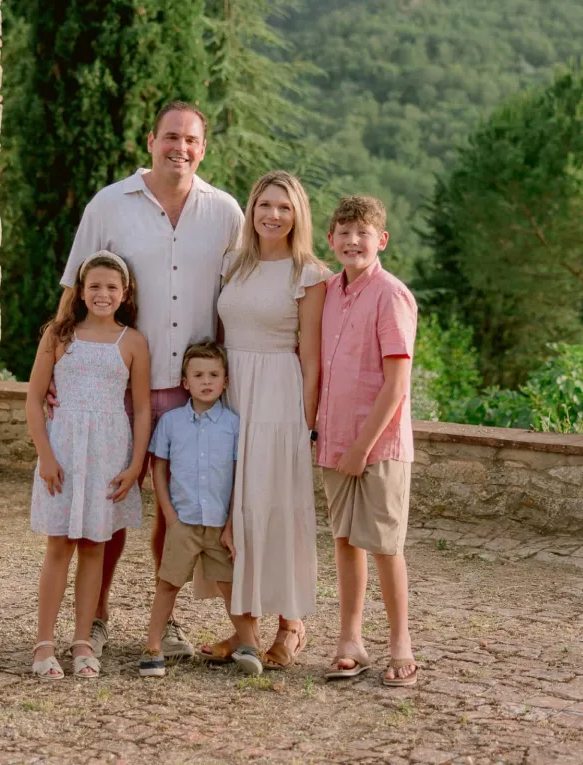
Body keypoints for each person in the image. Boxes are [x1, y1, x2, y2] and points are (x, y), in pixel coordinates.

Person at [54, 101, 243, 660]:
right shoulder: (110, 204)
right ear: (150, 140)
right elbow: (73, 290)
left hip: (190, 392)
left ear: (203, 148)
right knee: (108, 503)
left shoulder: (226, 212)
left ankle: (167, 620)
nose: (179, 148)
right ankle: (96, 614)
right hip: (117, 385)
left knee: (175, 511)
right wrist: (52, 368)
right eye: (170, 137)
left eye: (190, 140)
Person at [198, 170, 330, 670]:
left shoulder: (309, 274)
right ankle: (243, 623)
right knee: (235, 505)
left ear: (298, 215)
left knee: (276, 506)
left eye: (284, 207)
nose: (272, 215)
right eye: (265, 205)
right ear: (251, 210)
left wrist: (308, 423)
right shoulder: (233, 263)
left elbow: (312, 357)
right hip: (232, 391)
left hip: (279, 394)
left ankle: (291, 624)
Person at [26, 251, 152, 680]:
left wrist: (135, 465)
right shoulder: (59, 336)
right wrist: (45, 455)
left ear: (124, 293)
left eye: (111, 287)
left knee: (96, 546)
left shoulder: (132, 342)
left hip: (107, 455)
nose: (103, 294)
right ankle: (44, 644)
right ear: (81, 291)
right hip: (63, 453)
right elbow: (33, 398)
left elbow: (142, 408)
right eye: (94, 286)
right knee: (59, 545)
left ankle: (83, 642)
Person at [316, 196, 418, 687]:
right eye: (344, 232)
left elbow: (397, 384)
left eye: (363, 233)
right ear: (330, 239)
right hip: (334, 441)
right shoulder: (330, 292)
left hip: (378, 447)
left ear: (381, 240)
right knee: (345, 542)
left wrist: (361, 447)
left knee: (384, 545)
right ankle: (350, 640)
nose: (352, 241)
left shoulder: (391, 295)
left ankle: (401, 644)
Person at [139, 342, 261, 677]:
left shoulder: (234, 425)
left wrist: (231, 523)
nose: (206, 381)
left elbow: (239, 476)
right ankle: (153, 646)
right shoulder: (171, 422)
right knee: (168, 582)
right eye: (198, 375)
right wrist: (170, 516)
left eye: (214, 374)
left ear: (225, 381)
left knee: (229, 585)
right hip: (184, 522)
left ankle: (249, 645)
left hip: (219, 524)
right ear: (185, 382)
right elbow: (158, 469)